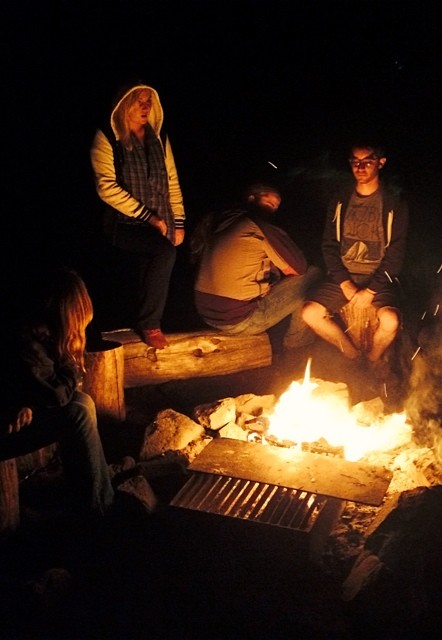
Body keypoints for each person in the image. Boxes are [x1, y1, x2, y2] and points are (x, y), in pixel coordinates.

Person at [1, 268, 114, 518]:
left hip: (16, 416)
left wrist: (29, 402)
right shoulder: (29, 340)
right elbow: (54, 395)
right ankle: (97, 511)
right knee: (77, 412)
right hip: (6, 431)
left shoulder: (38, 332)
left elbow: (39, 390)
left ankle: (97, 491)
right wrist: (72, 364)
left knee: (82, 403)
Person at [90, 82, 186, 349]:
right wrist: (148, 216)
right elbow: (106, 186)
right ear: (124, 105)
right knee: (163, 253)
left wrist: (178, 221)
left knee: (157, 259)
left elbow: (172, 180)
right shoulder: (109, 138)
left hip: (161, 218)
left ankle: (147, 322)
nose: (145, 106)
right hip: (124, 222)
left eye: (148, 101)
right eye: (139, 101)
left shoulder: (158, 137)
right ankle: (150, 324)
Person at [301, 142, 409, 370]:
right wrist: (345, 283)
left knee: (391, 320)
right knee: (310, 313)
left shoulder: (393, 204)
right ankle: (352, 356)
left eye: (367, 161)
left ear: (381, 163)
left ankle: (373, 359)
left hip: (378, 278)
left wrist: (371, 290)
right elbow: (329, 245)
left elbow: (396, 253)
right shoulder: (340, 201)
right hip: (344, 276)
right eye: (355, 162)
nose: (360, 167)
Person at [191, 183, 321, 350]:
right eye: (269, 204)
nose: (272, 211)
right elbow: (299, 268)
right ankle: (298, 346)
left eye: (275, 207)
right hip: (238, 319)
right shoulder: (257, 225)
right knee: (312, 275)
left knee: (275, 277)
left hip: (206, 313)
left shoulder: (221, 220)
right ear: (251, 199)